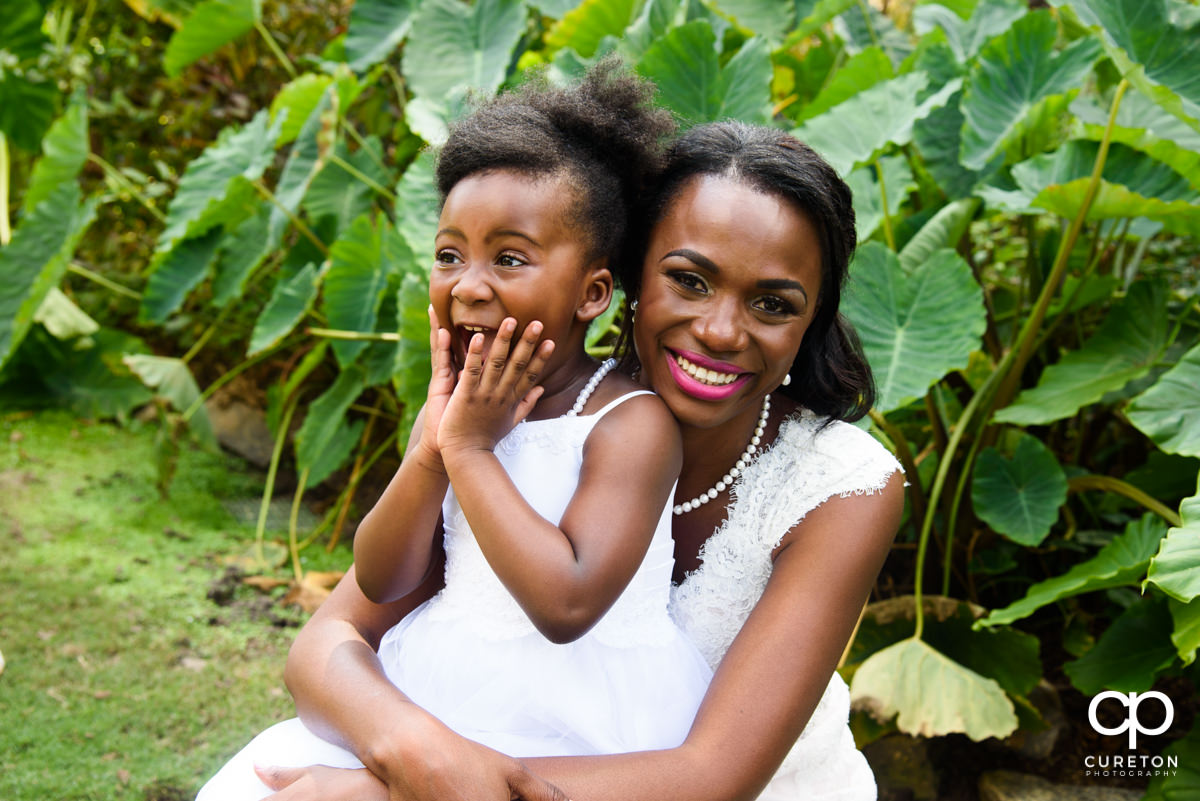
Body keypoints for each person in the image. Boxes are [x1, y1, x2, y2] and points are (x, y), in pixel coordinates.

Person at [243, 122, 906, 801]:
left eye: (771, 303)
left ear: (811, 319)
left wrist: (388, 795)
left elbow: (712, 778)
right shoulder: (524, 407)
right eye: (689, 280)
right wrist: (411, 752)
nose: (720, 331)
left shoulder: (842, 484)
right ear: (625, 279)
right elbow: (328, 641)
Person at [195, 65, 715, 800]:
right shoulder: (458, 407)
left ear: (593, 292)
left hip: (586, 722)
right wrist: (428, 453)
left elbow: (566, 603)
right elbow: (382, 577)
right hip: (440, 690)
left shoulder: (629, 421)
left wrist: (469, 450)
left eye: (509, 258)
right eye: (449, 255)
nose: (468, 284)